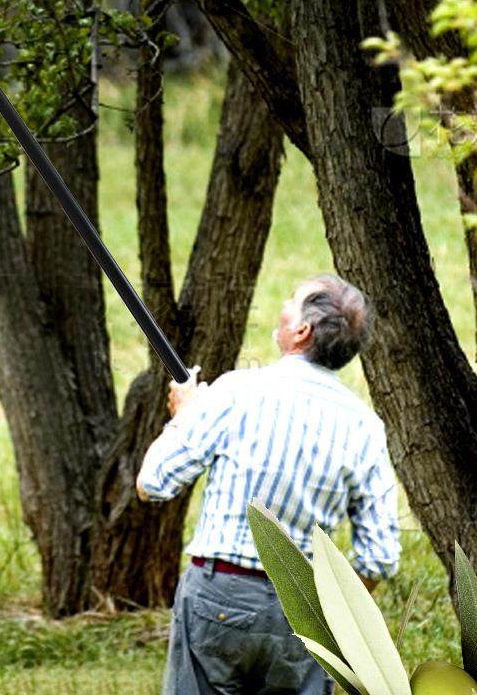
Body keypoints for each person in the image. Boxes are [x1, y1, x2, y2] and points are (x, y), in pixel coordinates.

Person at [137, 274, 400, 695]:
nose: (283, 304)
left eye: (291, 300)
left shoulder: (240, 391)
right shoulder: (364, 427)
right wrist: (326, 609)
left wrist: (186, 415)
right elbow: (380, 558)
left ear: (301, 331)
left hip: (217, 595)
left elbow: (153, 481)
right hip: (307, 616)